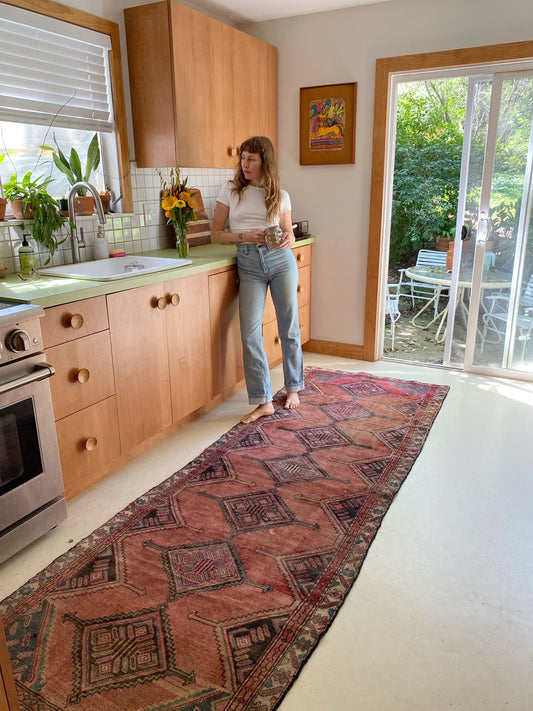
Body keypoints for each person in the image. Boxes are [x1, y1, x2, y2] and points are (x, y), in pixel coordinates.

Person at [211, 136, 304, 425]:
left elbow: (289, 233)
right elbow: (215, 233)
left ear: (265, 161)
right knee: (250, 333)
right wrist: (243, 236)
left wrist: (288, 237)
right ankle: (264, 400)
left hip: (280, 261)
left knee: (288, 327)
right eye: (242, 158)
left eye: (251, 158)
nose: (245, 164)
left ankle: (293, 387)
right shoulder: (230, 191)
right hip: (248, 263)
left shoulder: (281, 194)